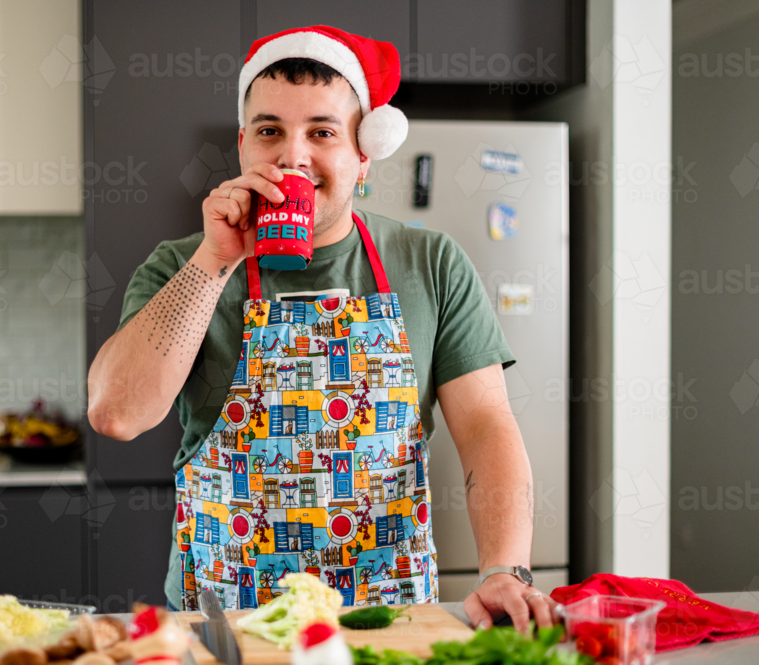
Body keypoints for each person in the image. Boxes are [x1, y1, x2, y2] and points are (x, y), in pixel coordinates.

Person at [88, 25, 556, 632]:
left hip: (389, 620)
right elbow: (115, 414)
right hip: (229, 625)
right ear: (242, 146)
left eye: (322, 132)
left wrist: (506, 568)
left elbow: (487, 426)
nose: (292, 156)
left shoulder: (431, 263)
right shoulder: (182, 266)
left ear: (362, 156)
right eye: (269, 131)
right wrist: (217, 259)